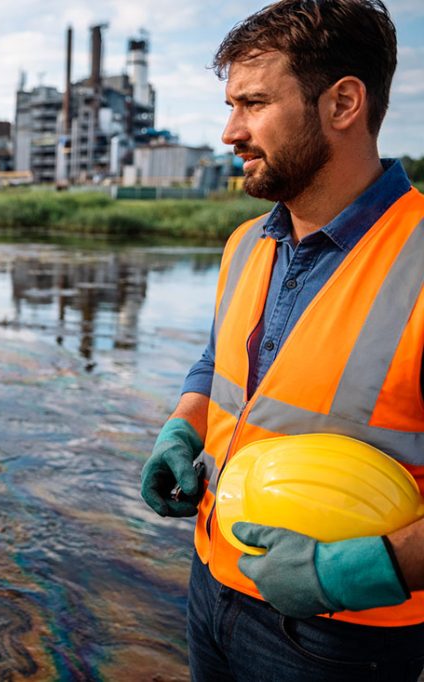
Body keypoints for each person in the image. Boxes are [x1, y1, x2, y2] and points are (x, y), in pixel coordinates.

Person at [139, 0, 424, 679]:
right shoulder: (246, 244)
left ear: (343, 103)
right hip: (213, 587)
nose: (230, 131)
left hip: (345, 637)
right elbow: (219, 363)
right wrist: (180, 429)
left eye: (253, 104)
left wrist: (361, 570)